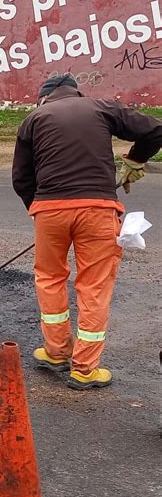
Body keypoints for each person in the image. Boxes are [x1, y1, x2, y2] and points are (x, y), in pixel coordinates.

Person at [12, 74, 161, 390]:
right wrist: (135, 160)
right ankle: (84, 370)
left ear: (44, 98)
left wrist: (40, 210)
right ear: (76, 93)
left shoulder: (33, 119)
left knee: (49, 279)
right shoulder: (102, 108)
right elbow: (155, 130)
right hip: (97, 210)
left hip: (49, 211)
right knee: (94, 285)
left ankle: (56, 352)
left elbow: (21, 179)